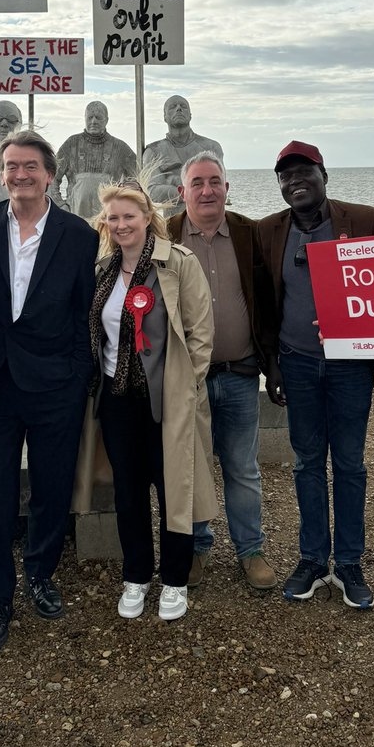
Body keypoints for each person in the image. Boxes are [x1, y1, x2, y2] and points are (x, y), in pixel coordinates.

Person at [0, 130, 99, 650]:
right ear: (2, 174)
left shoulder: (79, 235)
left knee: (50, 489)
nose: (20, 174)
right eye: (11, 166)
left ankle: (41, 574)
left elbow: (85, 314)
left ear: (50, 173)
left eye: (30, 166)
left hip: (55, 385)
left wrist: (76, 373)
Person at [73, 178, 217, 622]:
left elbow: (201, 334)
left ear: (147, 218)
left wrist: (185, 388)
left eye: (128, 216)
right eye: (112, 218)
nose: (120, 225)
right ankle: (136, 574)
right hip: (117, 402)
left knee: (175, 489)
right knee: (129, 492)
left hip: (167, 401)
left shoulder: (178, 263)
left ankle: (174, 580)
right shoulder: (102, 270)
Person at [258, 141, 374, 610]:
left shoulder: (365, 219)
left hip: (351, 364)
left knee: (350, 463)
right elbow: (264, 306)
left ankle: (349, 562)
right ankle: (313, 558)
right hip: (295, 362)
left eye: (303, 173)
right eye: (285, 176)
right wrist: (271, 365)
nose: (294, 182)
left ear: (324, 175)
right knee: (307, 462)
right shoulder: (268, 231)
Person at [167, 152, 278, 591]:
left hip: (240, 374)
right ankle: (196, 547)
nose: (207, 190)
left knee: (242, 468)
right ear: (183, 192)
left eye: (215, 181)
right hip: (185, 378)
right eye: (198, 183)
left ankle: (250, 550)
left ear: (227, 188)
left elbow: (271, 298)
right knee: (190, 468)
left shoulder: (252, 234)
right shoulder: (167, 234)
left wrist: (276, 365)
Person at [54, 101, 138, 219]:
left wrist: (125, 207)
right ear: (85, 119)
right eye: (90, 117)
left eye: (98, 117)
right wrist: (61, 206)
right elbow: (51, 178)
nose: (93, 121)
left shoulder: (121, 148)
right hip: (75, 217)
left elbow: (138, 180)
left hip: (110, 219)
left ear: (106, 120)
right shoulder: (71, 144)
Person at [141, 95, 224, 214]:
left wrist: (172, 181)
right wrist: (194, 188)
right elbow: (154, 192)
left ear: (190, 115)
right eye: (173, 107)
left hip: (209, 220)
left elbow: (218, 188)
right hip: (173, 225)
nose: (179, 109)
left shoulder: (212, 147)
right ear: (165, 117)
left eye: (183, 106)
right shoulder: (154, 151)